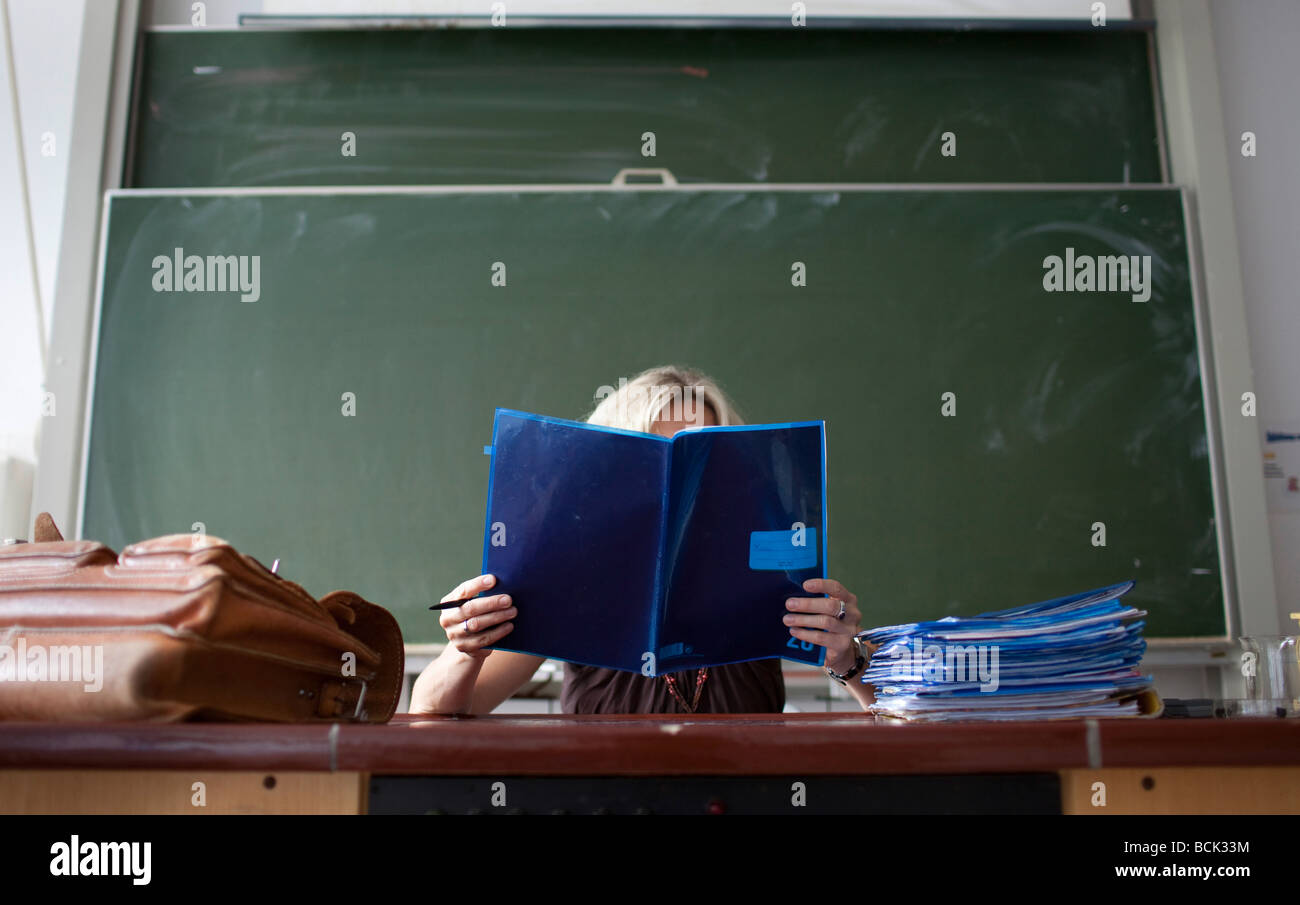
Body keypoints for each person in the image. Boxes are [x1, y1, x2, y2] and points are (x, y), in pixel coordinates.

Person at [409, 365, 874, 715]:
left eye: (699, 454)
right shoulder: (570, 583)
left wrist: (843, 654)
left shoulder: (775, 569)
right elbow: (433, 713)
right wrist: (467, 647)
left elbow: (903, 713)